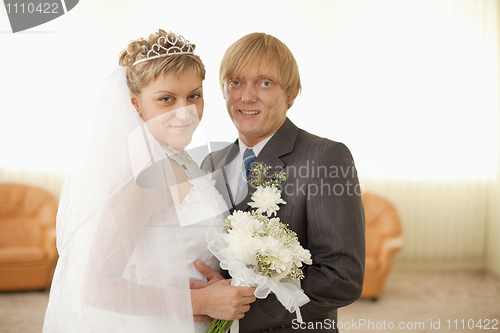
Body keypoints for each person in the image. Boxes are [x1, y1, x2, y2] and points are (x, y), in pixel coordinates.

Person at [42, 29, 255, 333]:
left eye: (194, 95)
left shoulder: (176, 157)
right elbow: (95, 287)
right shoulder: (138, 176)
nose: (185, 113)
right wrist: (202, 303)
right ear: (135, 104)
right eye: (166, 99)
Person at [199, 33, 365, 332]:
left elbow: (342, 278)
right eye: (235, 82)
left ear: (291, 93)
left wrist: (236, 309)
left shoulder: (325, 157)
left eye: (265, 83)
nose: (246, 97)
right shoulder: (212, 163)